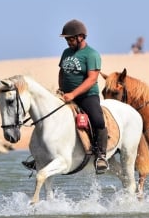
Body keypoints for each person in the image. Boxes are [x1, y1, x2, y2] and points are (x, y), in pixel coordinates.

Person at [22, 19, 109, 174]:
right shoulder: (66, 53)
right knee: (44, 117)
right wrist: (62, 90)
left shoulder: (92, 54)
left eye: (70, 39)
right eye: (67, 39)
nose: (68, 42)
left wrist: (73, 94)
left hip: (87, 95)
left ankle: (101, 155)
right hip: (66, 95)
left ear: (81, 37)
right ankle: (40, 156)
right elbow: (62, 72)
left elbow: (92, 79)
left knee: (98, 120)